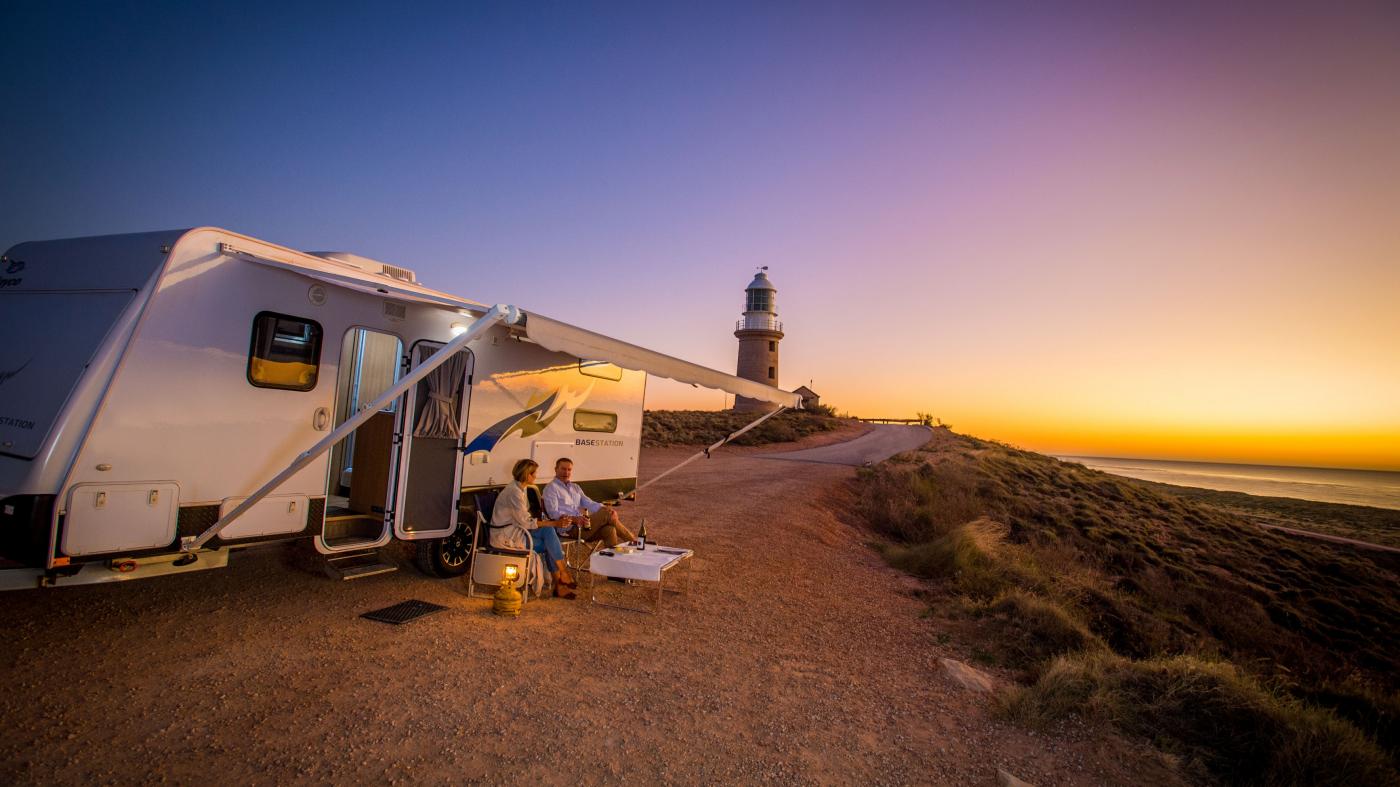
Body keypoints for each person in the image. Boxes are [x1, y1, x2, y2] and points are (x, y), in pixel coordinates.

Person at [491, 459, 578, 599]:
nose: (536, 476)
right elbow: (526, 522)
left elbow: (524, 518)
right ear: (527, 474)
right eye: (534, 473)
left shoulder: (521, 488)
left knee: (548, 532)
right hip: (506, 536)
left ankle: (562, 576)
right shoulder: (514, 492)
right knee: (549, 541)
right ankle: (561, 581)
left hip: (517, 529)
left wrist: (549, 524)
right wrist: (554, 523)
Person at [541, 457, 637, 549]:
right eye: (563, 469)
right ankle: (634, 541)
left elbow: (589, 503)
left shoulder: (575, 487)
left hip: (584, 527)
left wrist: (608, 509)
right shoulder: (551, 488)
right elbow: (553, 513)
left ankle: (613, 562)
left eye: (569, 470)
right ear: (556, 469)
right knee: (606, 513)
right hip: (569, 530)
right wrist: (574, 519)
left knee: (609, 529)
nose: (566, 472)